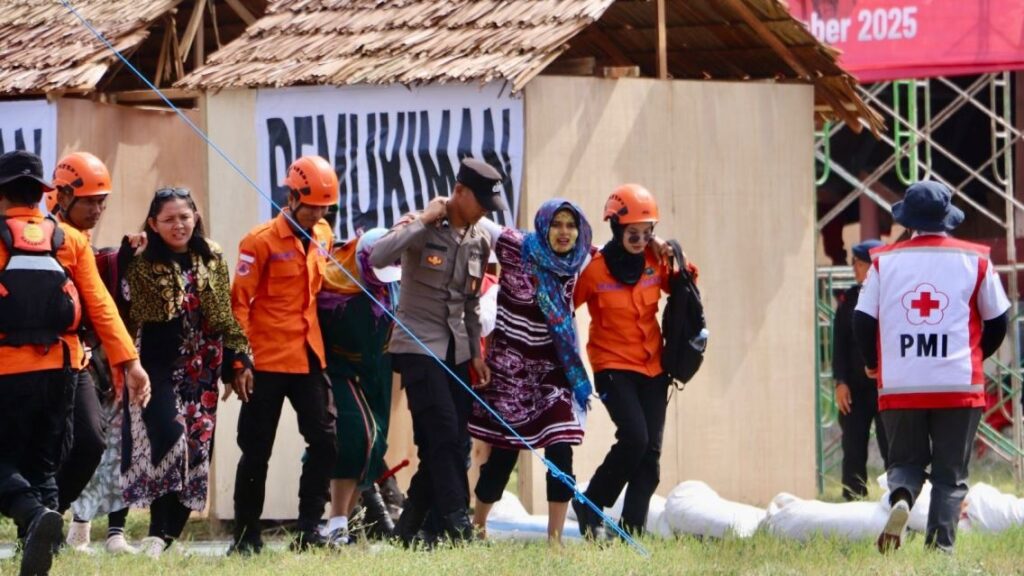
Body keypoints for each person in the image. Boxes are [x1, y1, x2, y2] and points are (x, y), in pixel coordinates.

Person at [0, 150, 150, 576]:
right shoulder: (69, 241)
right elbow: (101, 306)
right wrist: (130, 362)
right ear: (46, 194)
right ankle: (41, 533)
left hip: (8, 369)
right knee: (45, 463)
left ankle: (32, 516)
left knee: (9, 459)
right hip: (62, 369)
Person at [854, 181, 1009, 553]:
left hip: (901, 384)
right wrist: (975, 354)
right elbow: (1000, 321)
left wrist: (874, 365)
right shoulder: (976, 260)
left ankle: (904, 496)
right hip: (958, 384)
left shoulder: (883, 262)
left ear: (908, 221)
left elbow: (862, 320)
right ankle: (939, 550)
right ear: (946, 220)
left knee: (905, 461)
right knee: (949, 475)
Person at [369, 157, 503, 546]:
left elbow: (472, 301)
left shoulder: (479, 239)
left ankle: (410, 530)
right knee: (444, 431)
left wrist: (477, 352)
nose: (484, 212)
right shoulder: (421, 225)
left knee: (449, 441)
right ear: (459, 192)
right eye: (480, 202)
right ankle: (459, 525)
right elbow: (378, 258)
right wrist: (424, 219)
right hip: (417, 344)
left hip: (458, 350)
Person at [118, 186, 252, 558]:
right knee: (173, 441)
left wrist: (238, 358)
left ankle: (161, 538)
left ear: (195, 216)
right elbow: (129, 305)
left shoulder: (212, 254)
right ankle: (151, 531)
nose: (179, 225)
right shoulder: (141, 259)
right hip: (158, 367)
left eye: (185, 216)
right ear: (153, 223)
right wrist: (129, 254)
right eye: (169, 219)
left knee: (196, 452)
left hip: (203, 371)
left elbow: (224, 314)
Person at [230, 155, 338, 554]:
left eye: (324, 207)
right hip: (266, 361)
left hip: (309, 356)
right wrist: (239, 360)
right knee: (256, 450)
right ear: (291, 197)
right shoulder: (258, 240)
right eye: (311, 206)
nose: (317, 213)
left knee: (326, 441)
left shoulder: (323, 234)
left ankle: (309, 530)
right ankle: (245, 537)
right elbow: (238, 304)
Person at [469, 199, 594, 544]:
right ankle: (478, 526)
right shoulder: (514, 245)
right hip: (511, 370)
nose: (565, 232)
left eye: (571, 224)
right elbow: (475, 220)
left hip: (554, 370)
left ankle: (554, 540)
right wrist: (433, 209)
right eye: (557, 224)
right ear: (543, 226)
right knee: (504, 452)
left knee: (561, 447)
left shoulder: (581, 256)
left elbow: (621, 253)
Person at [572, 184, 681, 539]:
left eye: (646, 232)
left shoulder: (655, 260)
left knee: (650, 454)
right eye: (632, 232)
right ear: (616, 229)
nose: (639, 238)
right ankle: (591, 504)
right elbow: (563, 306)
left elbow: (684, 282)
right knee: (634, 438)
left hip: (654, 367)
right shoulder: (595, 271)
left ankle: (632, 530)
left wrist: (666, 247)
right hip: (613, 368)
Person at [47, 152, 137, 555]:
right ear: (63, 195)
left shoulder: (79, 243)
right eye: (91, 201)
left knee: (90, 440)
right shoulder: (31, 234)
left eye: (104, 201)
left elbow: (101, 304)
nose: (98, 209)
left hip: (72, 358)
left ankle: (46, 518)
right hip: (19, 360)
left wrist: (126, 362)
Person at [317, 228, 401, 545]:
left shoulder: (393, 284)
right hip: (340, 368)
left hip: (378, 369)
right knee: (354, 435)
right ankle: (334, 518)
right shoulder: (332, 285)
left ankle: (342, 526)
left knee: (374, 445)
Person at [832, 239, 890, 501]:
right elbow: (840, 344)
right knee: (853, 447)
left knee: (893, 446)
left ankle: (898, 499)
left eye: (860, 263)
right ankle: (853, 501)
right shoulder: (849, 300)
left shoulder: (893, 297)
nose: (854, 267)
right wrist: (840, 382)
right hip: (855, 387)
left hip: (887, 387)